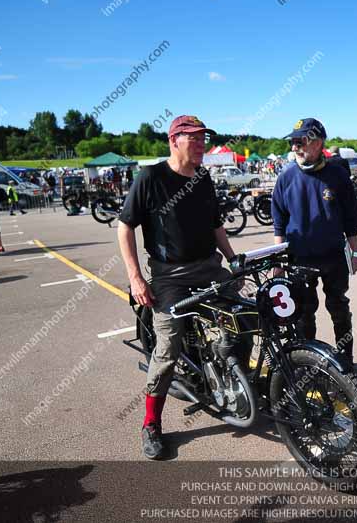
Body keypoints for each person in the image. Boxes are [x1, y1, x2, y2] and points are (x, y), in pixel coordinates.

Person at [117, 115, 239, 460]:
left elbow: (215, 224)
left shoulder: (202, 178)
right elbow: (124, 228)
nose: (201, 144)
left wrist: (233, 259)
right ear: (174, 141)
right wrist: (136, 277)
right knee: (168, 346)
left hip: (209, 267)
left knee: (245, 317)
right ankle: (151, 423)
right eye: (194, 139)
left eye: (204, 138)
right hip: (170, 275)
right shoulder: (151, 177)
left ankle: (234, 379)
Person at [271, 118, 357, 362]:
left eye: (301, 141)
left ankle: (345, 362)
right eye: (292, 142)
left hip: (333, 257)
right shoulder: (286, 177)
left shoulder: (338, 174)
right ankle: (308, 366)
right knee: (303, 314)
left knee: (339, 309)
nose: (295, 147)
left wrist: (355, 252)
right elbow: (279, 222)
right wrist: (278, 261)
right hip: (299, 259)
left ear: (319, 142)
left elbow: (351, 217)